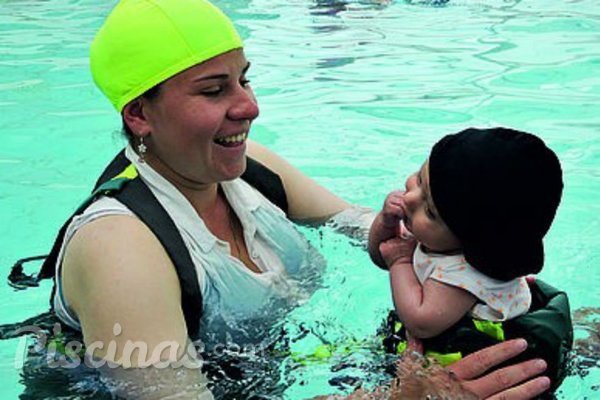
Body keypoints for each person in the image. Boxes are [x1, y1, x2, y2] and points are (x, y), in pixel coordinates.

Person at [34, 0, 553, 398]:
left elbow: (362, 224)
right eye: (214, 91)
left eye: (245, 78)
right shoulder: (118, 248)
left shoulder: (245, 170)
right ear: (140, 115)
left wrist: (485, 272)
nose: (249, 106)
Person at [369, 128, 571, 391]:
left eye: (429, 209)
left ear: (470, 241)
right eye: (419, 178)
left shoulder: (466, 276)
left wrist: (400, 263)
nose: (409, 197)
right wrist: (386, 224)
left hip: (467, 365)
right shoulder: (441, 234)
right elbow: (380, 253)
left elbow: (421, 321)